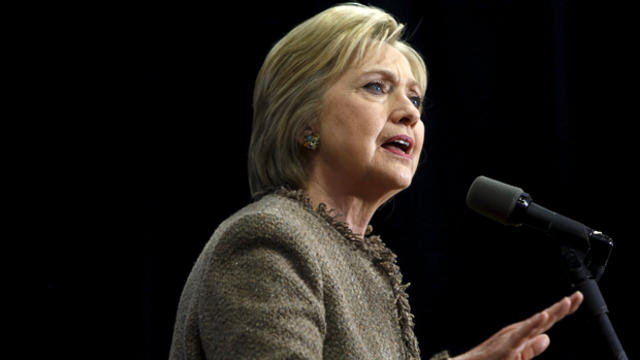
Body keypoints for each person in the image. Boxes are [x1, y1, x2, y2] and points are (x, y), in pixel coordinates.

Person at [169, 3, 583, 359]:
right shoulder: (268, 240)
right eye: (376, 87)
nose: (410, 113)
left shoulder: (365, 262)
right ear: (303, 121)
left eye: (415, 98)